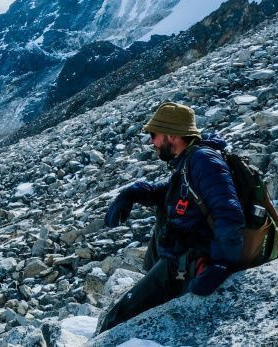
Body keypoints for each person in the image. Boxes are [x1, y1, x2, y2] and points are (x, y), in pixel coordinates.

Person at [97, 101, 245, 333]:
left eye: (154, 135)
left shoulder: (203, 161)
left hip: (188, 260)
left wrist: (221, 264)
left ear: (172, 136)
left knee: (115, 321)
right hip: (179, 254)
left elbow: (229, 212)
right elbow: (171, 191)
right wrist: (133, 191)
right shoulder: (189, 160)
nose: (151, 142)